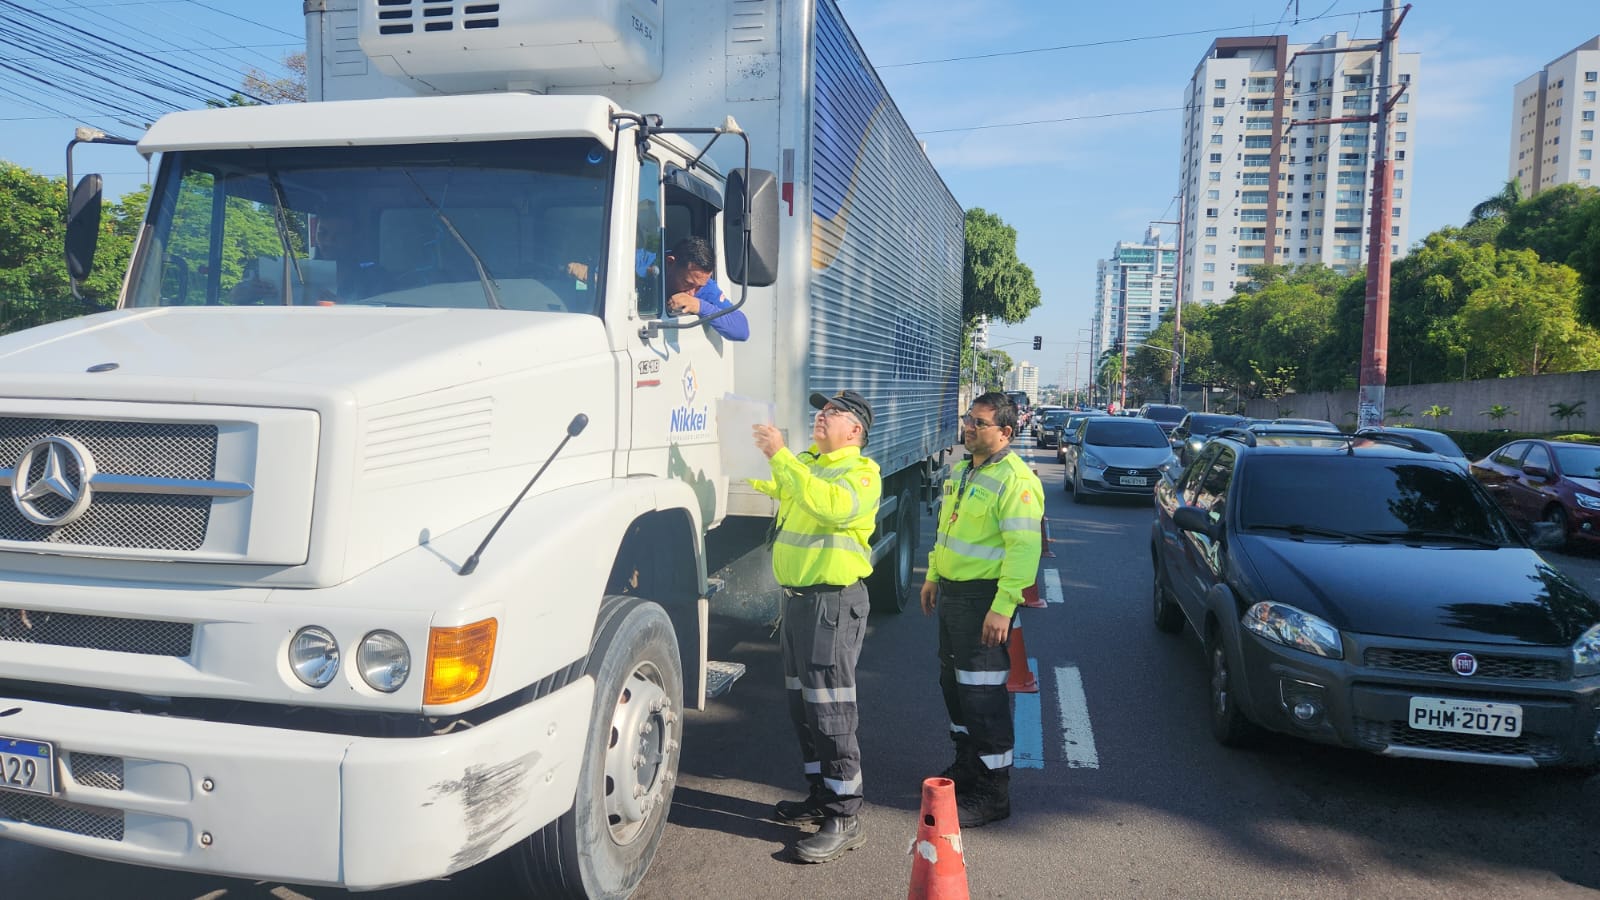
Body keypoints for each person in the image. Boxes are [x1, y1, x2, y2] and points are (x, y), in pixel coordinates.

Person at [750, 389, 881, 864]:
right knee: (802, 707)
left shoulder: (861, 473)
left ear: (856, 430)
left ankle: (845, 816)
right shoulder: (811, 465)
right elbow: (782, 489)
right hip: (799, 605)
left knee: (831, 711)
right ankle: (820, 795)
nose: (822, 415)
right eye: (821, 409)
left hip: (832, 604)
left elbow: (829, 506)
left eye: (834, 412)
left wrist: (782, 456)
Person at [920, 391, 1043, 827]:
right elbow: (945, 532)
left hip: (984, 600)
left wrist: (1003, 606)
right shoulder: (962, 472)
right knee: (953, 686)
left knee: (983, 695)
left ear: (1006, 432)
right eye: (969, 419)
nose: (969, 426)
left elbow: (1023, 549)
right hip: (953, 593)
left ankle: (993, 793)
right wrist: (934, 575)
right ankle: (968, 766)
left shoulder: (1017, 480)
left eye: (980, 422)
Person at [664, 236, 749, 341]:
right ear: (670, 263)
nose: (691, 294)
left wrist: (701, 306)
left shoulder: (706, 287)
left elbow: (741, 330)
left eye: (699, 287)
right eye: (687, 283)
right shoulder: (642, 267)